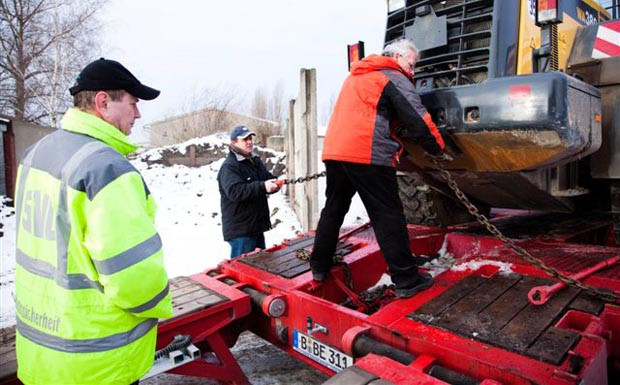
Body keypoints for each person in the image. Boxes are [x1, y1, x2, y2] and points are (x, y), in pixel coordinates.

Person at [14, 58, 173, 385]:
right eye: (133, 103)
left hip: (41, 353)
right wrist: (159, 303)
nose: (138, 115)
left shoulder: (35, 155)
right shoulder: (106, 170)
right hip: (95, 362)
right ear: (103, 102)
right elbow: (134, 280)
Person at [310, 38, 451, 298]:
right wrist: (439, 149)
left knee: (334, 208)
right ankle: (407, 279)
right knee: (388, 215)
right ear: (397, 57)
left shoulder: (356, 75)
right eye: (411, 64)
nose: (413, 70)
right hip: (367, 154)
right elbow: (416, 117)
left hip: (336, 152)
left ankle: (319, 264)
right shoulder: (392, 76)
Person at [218, 125, 281, 258]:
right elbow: (235, 192)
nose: (249, 142)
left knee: (260, 266)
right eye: (244, 139)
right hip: (241, 232)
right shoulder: (229, 167)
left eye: (250, 138)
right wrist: (263, 186)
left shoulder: (254, 161)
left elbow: (265, 178)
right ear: (234, 142)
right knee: (243, 271)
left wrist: (276, 183)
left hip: (256, 227)